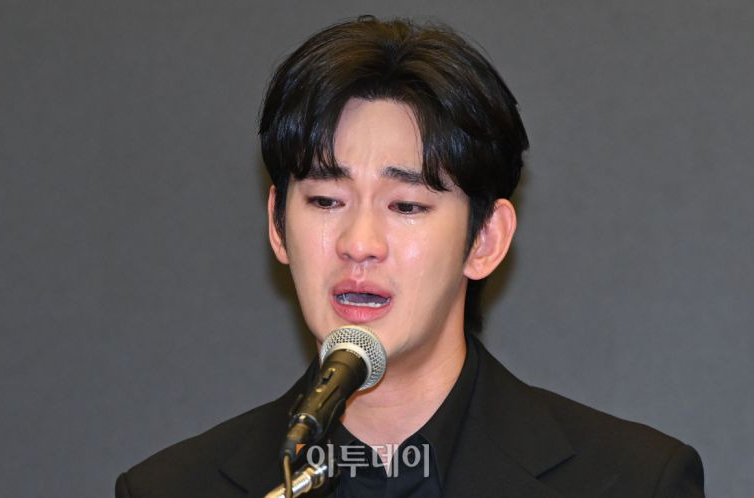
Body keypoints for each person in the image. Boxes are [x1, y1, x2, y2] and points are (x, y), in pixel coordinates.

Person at [116, 16, 705, 497]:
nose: (359, 243)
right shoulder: (171, 489)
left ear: (485, 240)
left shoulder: (633, 481)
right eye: (325, 200)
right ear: (277, 225)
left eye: (406, 205)